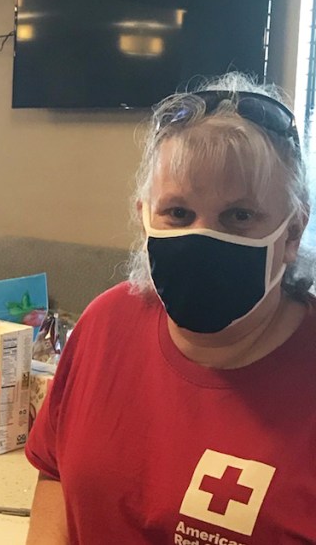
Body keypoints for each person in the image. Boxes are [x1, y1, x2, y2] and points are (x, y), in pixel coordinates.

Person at [25, 72, 316, 543]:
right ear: (146, 217)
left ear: (292, 233)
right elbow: (55, 474)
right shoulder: (104, 325)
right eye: (178, 213)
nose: (202, 237)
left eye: (239, 216)